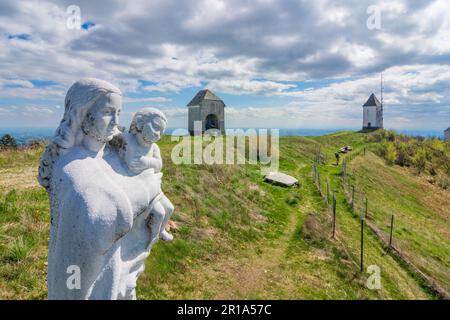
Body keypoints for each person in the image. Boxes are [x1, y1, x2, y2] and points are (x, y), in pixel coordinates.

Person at [38, 78, 163, 299]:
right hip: (75, 277)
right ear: (83, 114)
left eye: (119, 112)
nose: (116, 121)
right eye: (107, 111)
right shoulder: (72, 167)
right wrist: (148, 189)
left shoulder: (107, 156)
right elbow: (101, 218)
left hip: (108, 268)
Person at [113, 108, 174, 242]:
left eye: (162, 132)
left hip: (152, 186)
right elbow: (132, 165)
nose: (158, 135)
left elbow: (159, 165)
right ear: (140, 123)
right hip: (137, 187)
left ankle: (161, 230)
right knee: (160, 213)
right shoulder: (128, 139)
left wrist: (146, 161)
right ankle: (151, 239)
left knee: (170, 208)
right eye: (156, 128)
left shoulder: (154, 147)